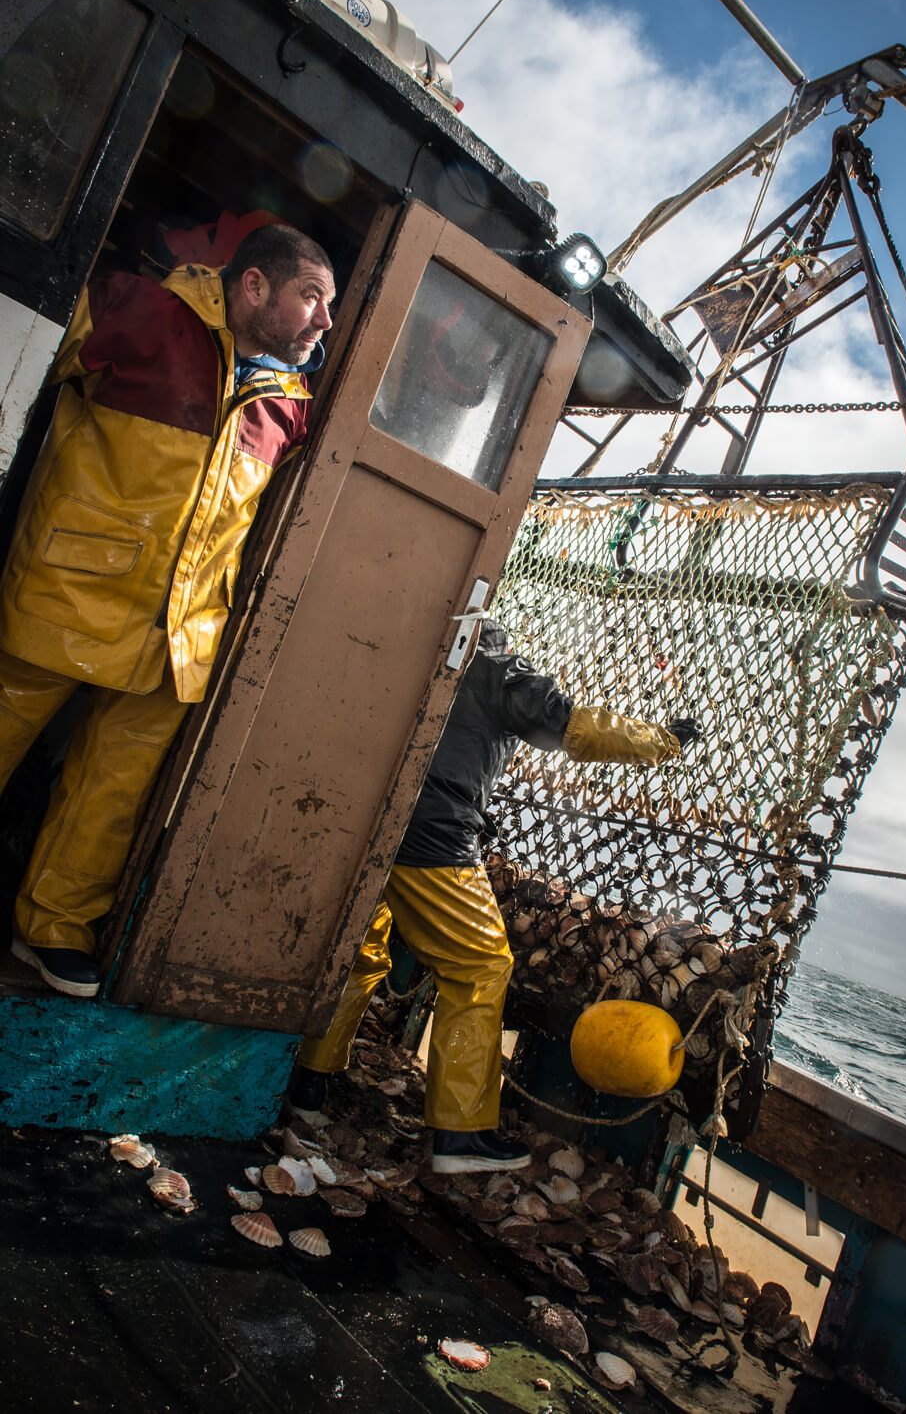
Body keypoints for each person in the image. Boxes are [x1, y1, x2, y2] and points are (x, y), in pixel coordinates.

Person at [1, 222, 336, 998]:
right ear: (253, 285)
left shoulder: (293, 408)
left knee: (110, 797)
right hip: (70, 593)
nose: (324, 322)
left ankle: (52, 928)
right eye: (311, 298)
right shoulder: (136, 310)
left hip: (181, 635)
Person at [285, 617, 698, 1174]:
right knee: (481, 967)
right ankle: (459, 1137)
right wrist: (663, 741)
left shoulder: (411, 652)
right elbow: (573, 727)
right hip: (434, 838)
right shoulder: (497, 669)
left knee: (363, 948)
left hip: (369, 818)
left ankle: (308, 1083)